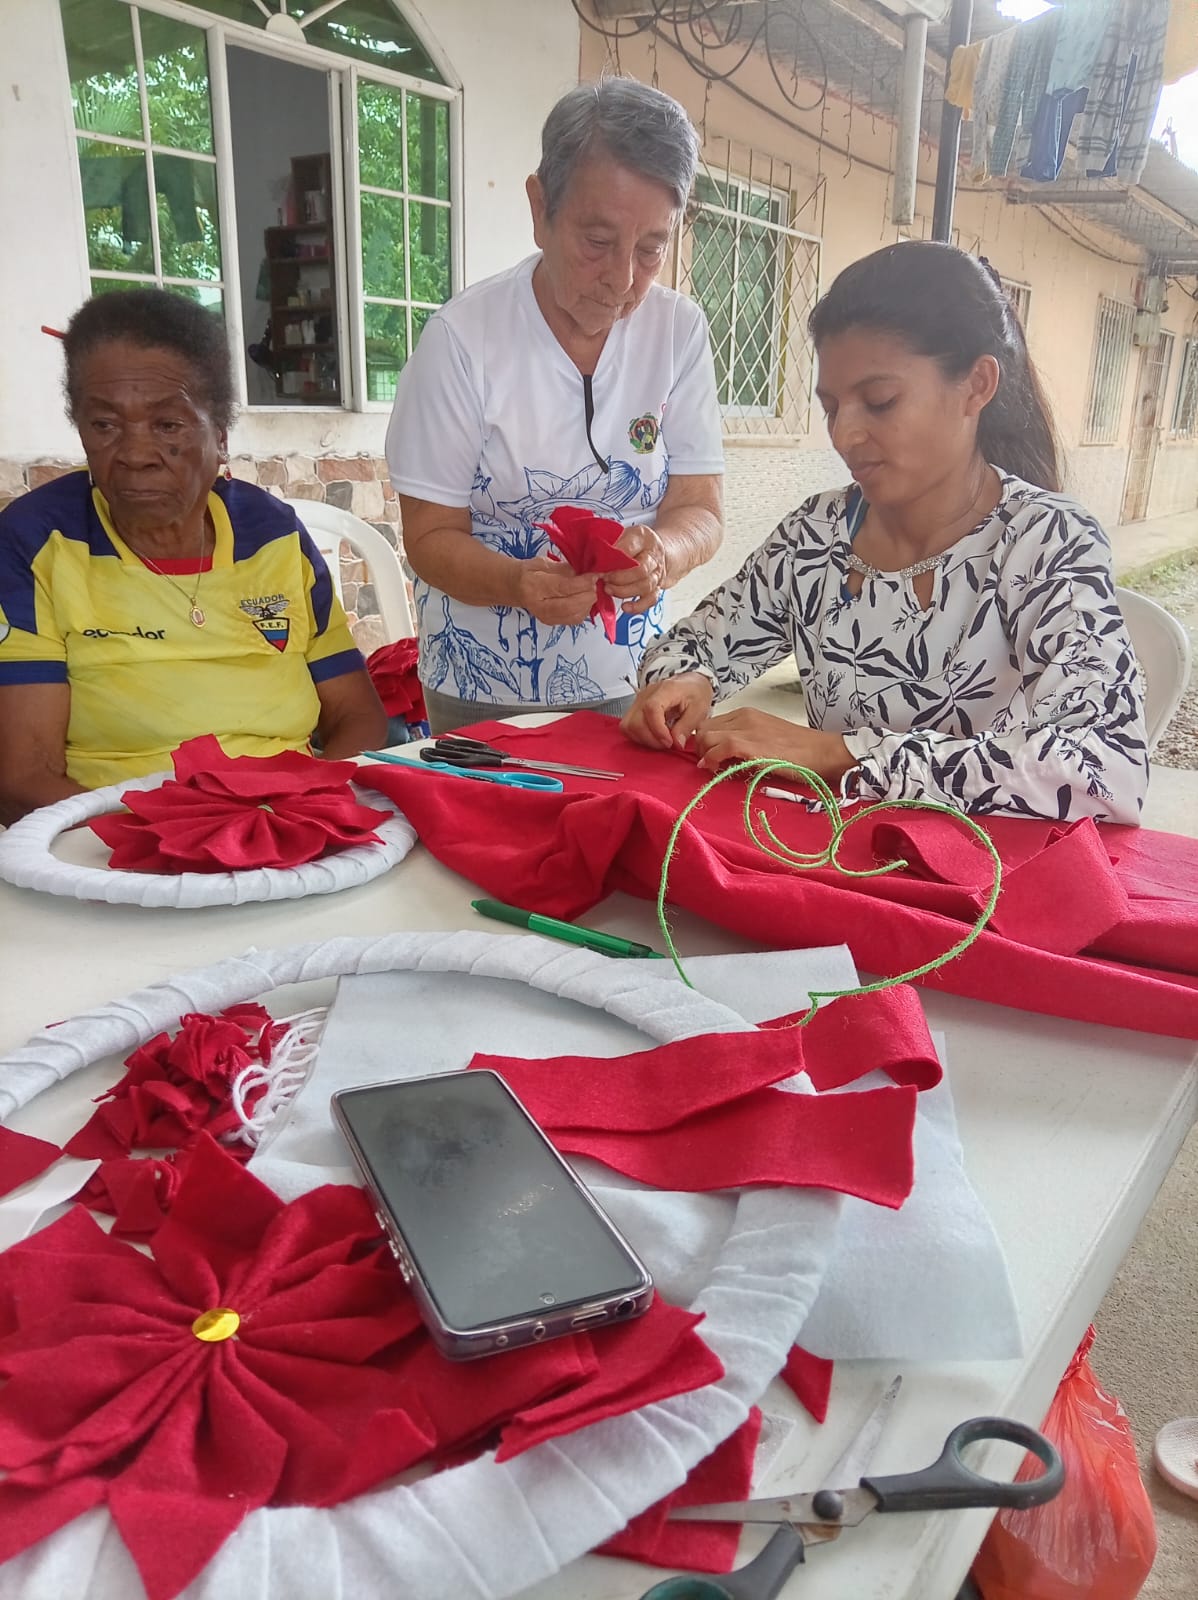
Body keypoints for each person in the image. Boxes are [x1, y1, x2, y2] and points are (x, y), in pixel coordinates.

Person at [622, 242, 1149, 825]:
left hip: (981, 870)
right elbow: (687, 646)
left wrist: (843, 755)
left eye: (880, 402)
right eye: (831, 407)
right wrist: (686, 683)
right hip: (822, 857)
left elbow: (1106, 767)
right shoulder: (817, 537)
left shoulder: (1044, 542)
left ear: (977, 385)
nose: (844, 435)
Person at [386, 77, 724, 734]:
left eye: (651, 248)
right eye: (597, 241)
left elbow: (701, 510)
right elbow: (429, 539)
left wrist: (665, 552)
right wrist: (518, 583)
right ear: (540, 208)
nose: (623, 279)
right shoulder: (462, 339)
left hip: (636, 679)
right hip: (484, 686)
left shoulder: (678, 331)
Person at [0, 289, 386, 823]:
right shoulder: (36, 542)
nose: (135, 455)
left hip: (288, 823)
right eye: (104, 425)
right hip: (110, 838)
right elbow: (23, 779)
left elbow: (358, 717)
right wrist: (182, 843)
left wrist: (305, 814)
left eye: (168, 425)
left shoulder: (273, 534)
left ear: (220, 436)